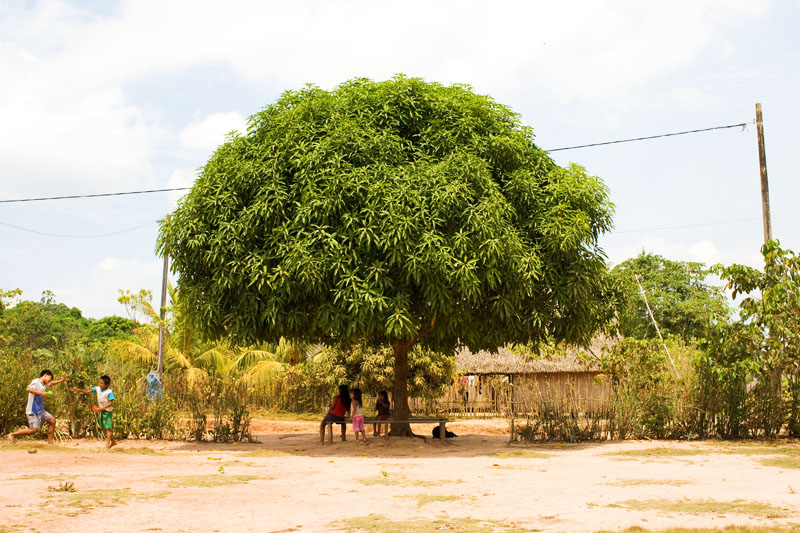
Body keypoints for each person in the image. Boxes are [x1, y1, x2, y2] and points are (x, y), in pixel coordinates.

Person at [8, 369, 67, 444]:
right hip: (33, 410)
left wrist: (61, 381)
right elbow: (28, 389)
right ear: (45, 375)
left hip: (41, 410)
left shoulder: (43, 384)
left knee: (52, 421)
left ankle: (50, 443)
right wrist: (41, 393)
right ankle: (12, 435)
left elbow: (51, 384)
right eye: (50, 378)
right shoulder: (36, 381)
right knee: (33, 430)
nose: (49, 381)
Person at [71, 375, 117, 449]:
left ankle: (107, 446)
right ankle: (113, 441)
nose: (99, 384)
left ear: (107, 385)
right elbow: (87, 391)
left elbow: (110, 403)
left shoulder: (109, 392)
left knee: (107, 428)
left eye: (101, 383)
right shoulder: (98, 389)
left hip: (107, 412)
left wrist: (101, 408)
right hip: (101, 411)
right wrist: (78, 390)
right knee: (103, 428)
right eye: (99, 382)